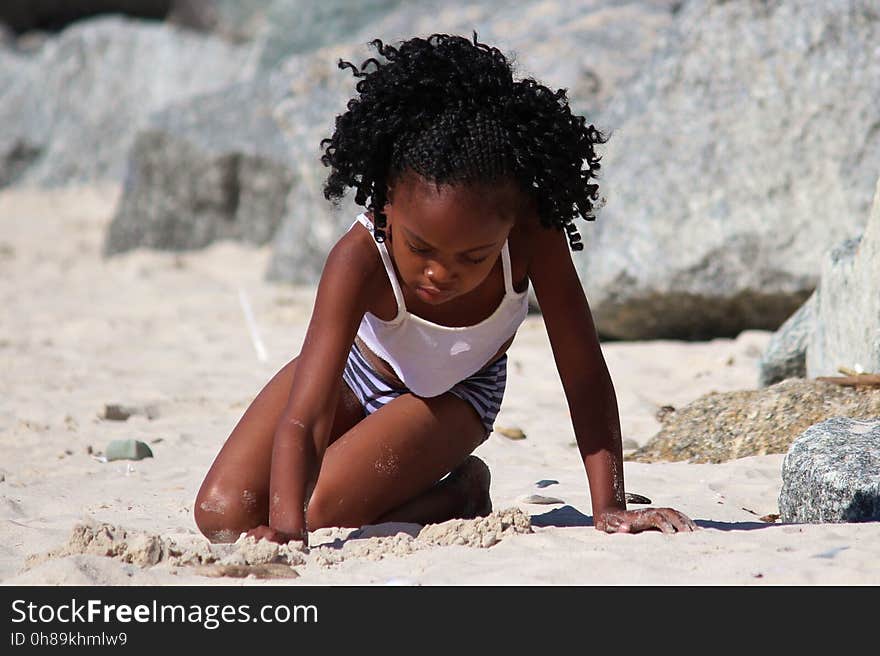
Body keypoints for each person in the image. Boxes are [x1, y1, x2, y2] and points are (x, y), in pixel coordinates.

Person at [194, 33, 696, 545]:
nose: (440, 272)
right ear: (386, 201)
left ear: (506, 228)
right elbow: (307, 414)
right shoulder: (359, 258)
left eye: (473, 257)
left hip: (456, 395)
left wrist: (609, 506)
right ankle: (410, 488)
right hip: (354, 374)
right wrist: (285, 531)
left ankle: (460, 493)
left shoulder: (532, 240)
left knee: (323, 506)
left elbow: (583, 373)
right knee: (221, 515)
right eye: (421, 247)